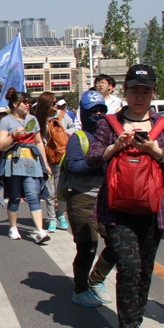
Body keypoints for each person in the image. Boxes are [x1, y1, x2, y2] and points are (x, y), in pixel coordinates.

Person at [86, 64, 164, 328]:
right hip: (116, 207)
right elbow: (92, 160)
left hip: (154, 208)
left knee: (144, 270)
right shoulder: (109, 123)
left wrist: (156, 151)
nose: (139, 96)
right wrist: (114, 147)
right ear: (124, 92)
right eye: (134, 90)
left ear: (154, 92)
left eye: (146, 91)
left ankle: (136, 319)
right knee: (128, 266)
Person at [63, 90, 116, 307]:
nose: (98, 115)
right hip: (82, 197)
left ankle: (96, 280)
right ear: (84, 114)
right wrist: (101, 161)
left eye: (101, 110)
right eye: (92, 111)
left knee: (117, 244)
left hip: (108, 197)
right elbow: (74, 167)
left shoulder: (112, 136)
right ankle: (80, 289)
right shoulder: (78, 138)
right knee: (87, 246)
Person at [0, 88, 51, 244]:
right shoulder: (6, 121)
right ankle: (13, 227)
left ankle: (40, 230)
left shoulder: (32, 119)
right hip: (13, 162)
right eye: (25, 102)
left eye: (29, 102)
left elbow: (39, 142)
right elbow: (1, 145)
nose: (28, 105)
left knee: (33, 195)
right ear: (15, 104)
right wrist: (14, 135)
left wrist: (45, 163)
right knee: (14, 197)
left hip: (32, 162)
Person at [36, 91, 74, 232]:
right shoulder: (38, 119)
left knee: (61, 191)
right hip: (46, 157)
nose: (56, 105)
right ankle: (52, 219)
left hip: (62, 157)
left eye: (56, 102)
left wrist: (66, 135)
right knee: (50, 192)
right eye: (53, 103)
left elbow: (74, 127)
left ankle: (61, 214)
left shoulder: (63, 116)